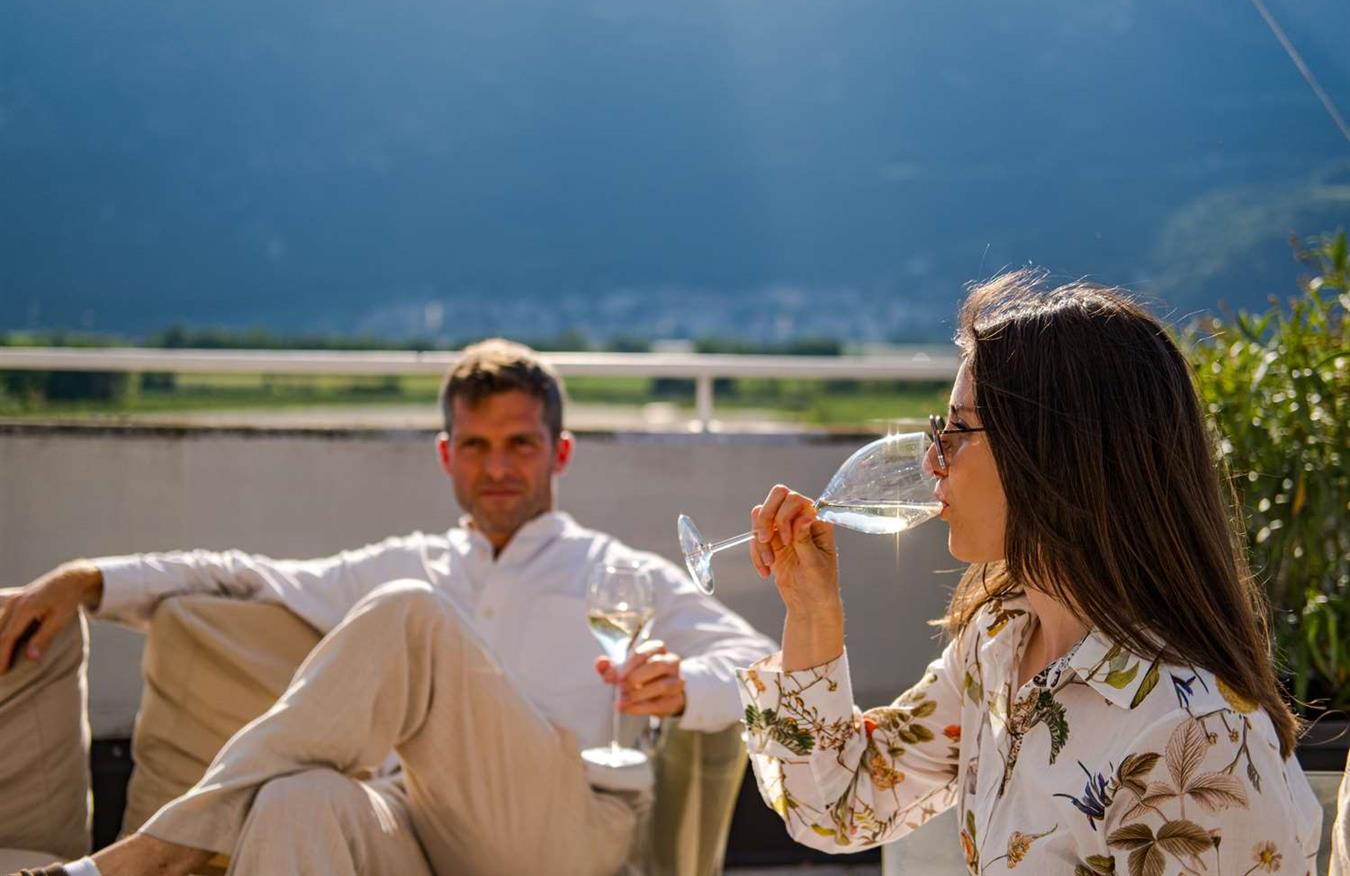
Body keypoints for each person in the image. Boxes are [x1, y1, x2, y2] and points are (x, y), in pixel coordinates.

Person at [0, 338, 776, 876]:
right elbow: (244, 576)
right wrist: (87, 580)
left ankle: (155, 854)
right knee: (299, 800)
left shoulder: (617, 572)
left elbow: (758, 664)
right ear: (446, 455)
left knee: (411, 613)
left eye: (520, 444)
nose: (498, 468)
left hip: (563, 832)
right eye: (475, 446)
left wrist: (683, 686)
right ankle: (168, 851)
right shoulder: (413, 560)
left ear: (560, 452)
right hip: (418, 825)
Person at [737, 273, 1323, 873]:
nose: (932, 460)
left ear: (1057, 455)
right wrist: (811, 610)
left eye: (957, 430)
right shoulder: (1002, 638)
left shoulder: (1196, 741)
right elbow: (839, 805)